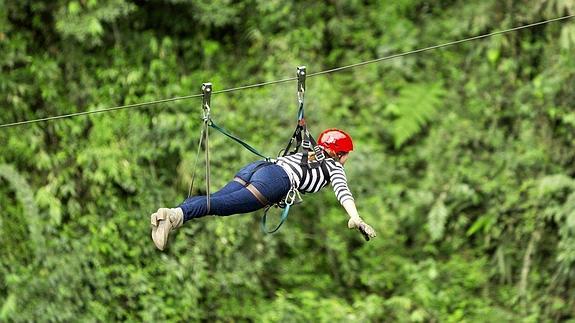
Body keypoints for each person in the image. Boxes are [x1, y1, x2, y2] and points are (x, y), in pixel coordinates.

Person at [150, 128, 377, 250]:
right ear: (338, 154)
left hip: (259, 167)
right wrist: (356, 218)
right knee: (219, 205)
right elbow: (343, 192)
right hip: (274, 181)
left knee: (217, 199)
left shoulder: (309, 151)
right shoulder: (334, 166)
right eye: (346, 155)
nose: (346, 160)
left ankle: (172, 215)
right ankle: (173, 216)